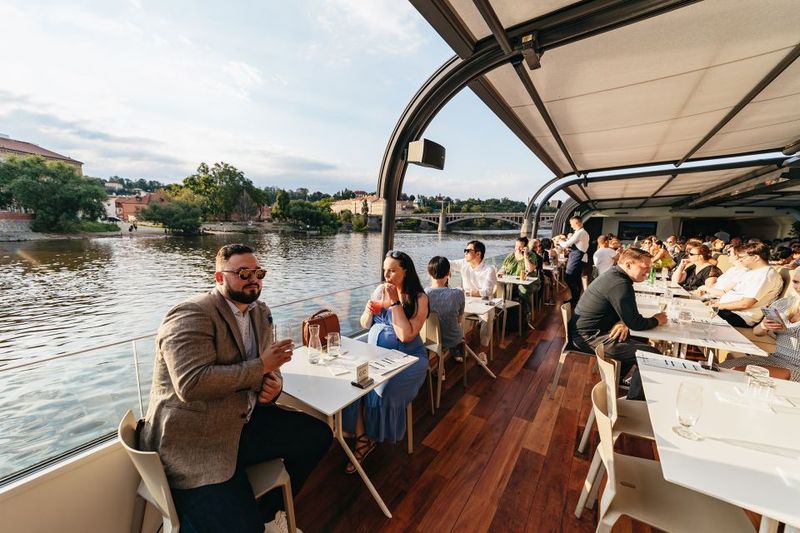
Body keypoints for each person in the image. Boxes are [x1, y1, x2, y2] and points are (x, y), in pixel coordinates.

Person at [139, 243, 332, 533]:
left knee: (318, 436)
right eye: (243, 273)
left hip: (245, 422)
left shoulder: (260, 313)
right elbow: (190, 384)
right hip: (195, 440)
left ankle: (269, 511)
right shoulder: (191, 315)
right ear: (219, 278)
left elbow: (269, 364)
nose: (253, 278)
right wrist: (262, 368)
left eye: (258, 272)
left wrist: (274, 387)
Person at [343, 250, 429, 473]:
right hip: (377, 357)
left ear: (405, 271)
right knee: (353, 382)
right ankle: (363, 438)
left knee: (382, 388)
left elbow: (406, 336)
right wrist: (367, 311)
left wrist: (394, 304)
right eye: (384, 270)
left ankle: (374, 436)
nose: (386, 275)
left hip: (409, 359)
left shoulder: (419, 298)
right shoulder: (380, 289)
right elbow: (364, 324)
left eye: (392, 270)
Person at [568, 248, 667, 400]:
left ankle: (617, 379)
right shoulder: (620, 283)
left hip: (589, 331)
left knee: (641, 340)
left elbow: (628, 317)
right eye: (645, 268)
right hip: (588, 337)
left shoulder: (615, 276)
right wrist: (657, 319)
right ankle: (634, 403)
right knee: (652, 356)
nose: (648, 272)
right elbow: (636, 323)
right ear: (628, 264)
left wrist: (623, 321)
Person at [719, 268, 800, 381]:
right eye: (796, 282)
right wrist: (764, 326)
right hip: (775, 359)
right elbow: (757, 332)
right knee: (723, 368)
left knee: (738, 372)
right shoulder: (782, 304)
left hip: (796, 368)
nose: (798, 287)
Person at [711, 242, 783, 328]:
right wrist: (718, 303)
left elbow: (745, 304)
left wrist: (720, 306)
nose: (740, 260)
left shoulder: (765, 275)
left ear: (756, 257)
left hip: (741, 316)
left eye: (742, 257)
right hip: (729, 311)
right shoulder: (752, 271)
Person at [450, 240, 497, 351]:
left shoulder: (489, 269)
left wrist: (467, 292)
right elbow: (445, 262)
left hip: (483, 303)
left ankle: (483, 351)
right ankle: (460, 348)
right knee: (454, 314)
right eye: (465, 250)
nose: (465, 253)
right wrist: (446, 270)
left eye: (468, 251)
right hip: (466, 302)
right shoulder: (464, 264)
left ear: (478, 254)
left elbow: (486, 292)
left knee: (488, 316)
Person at [425, 256, 466, 357]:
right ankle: (458, 354)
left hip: (429, 339)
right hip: (452, 338)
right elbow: (459, 320)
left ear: (429, 273)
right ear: (448, 274)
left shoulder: (423, 294)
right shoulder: (458, 293)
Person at [499, 236, 541, 326]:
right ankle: (503, 318)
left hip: (529, 283)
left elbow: (530, 269)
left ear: (525, 247)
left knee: (523, 291)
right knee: (499, 290)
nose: (517, 248)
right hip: (512, 282)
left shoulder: (531, 255)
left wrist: (525, 256)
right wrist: (500, 272)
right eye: (516, 246)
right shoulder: (511, 256)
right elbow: (503, 268)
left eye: (520, 246)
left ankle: (526, 315)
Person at [559, 216, 590, 307]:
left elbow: (565, 245)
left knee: (569, 277)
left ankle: (575, 299)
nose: (571, 226)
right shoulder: (582, 232)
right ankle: (575, 300)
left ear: (576, 223)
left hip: (577, 258)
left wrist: (560, 240)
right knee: (575, 279)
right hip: (578, 257)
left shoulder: (580, 233)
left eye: (572, 224)